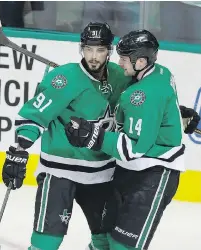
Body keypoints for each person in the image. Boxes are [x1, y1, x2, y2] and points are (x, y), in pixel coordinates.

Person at [65, 29, 201, 250]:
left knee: (122, 246)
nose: (119, 63)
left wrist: (93, 137)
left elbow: (133, 149)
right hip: (126, 171)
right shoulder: (161, 73)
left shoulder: (143, 95)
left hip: (153, 174)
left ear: (141, 61)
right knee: (103, 238)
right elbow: (161, 106)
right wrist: (177, 113)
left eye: (124, 59)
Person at [1, 22, 132, 250]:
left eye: (100, 50)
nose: (93, 56)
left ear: (109, 51)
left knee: (105, 243)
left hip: (101, 174)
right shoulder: (63, 78)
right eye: (88, 49)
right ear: (81, 49)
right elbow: (34, 115)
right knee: (46, 243)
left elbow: (146, 100)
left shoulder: (120, 77)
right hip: (59, 172)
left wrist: (176, 114)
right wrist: (20, 149)